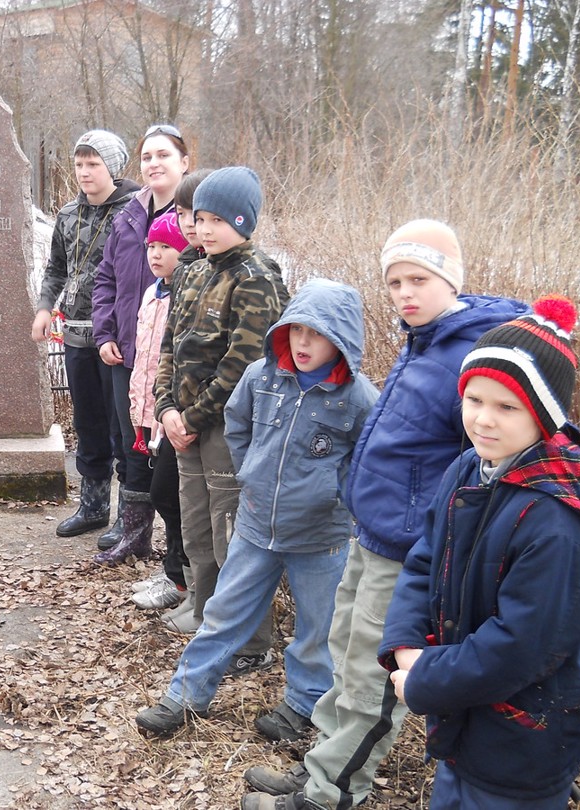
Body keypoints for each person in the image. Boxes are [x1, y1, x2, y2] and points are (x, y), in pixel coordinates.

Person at [241, 220, 528, 810]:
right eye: (395, 282)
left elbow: (486, 458)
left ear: (451, 279)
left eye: (418, 279)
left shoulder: (469, 353)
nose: (404, 293)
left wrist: (437, 537)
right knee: (345, 654)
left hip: (410, 548)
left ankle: (331, 793)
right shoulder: (424, 341)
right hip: (371, 532)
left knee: (372, 677)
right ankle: (322, 764)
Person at [380, 296, 580, 808]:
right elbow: (425, 558)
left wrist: (425, 679)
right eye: (474, 399)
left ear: (545, 415)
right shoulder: (469, 469)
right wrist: (406, 643)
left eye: (507, 407)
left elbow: (523, 647)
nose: (483, 419)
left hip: (521, 742)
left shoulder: (560, 522)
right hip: (461, 721)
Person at [136, 279, 378, 737]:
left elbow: (369, 460)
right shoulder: (261, 376)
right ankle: (183, 697)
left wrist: (335, 494)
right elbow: (237, 424)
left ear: (342, 339)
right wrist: (251, 472)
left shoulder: (360, 397)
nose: (303, 343)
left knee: (318, 629)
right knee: (223, 614)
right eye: (296, 330)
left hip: (320, 537)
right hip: (255, 524)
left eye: (317, 334)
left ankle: (302, 707)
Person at [151, 165, 287, 680]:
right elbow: (170, 345)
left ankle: (250, 641)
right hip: (184, 425)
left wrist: (192, 415)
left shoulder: (255, 278)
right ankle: (208, 619)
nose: (203, 229)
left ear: (243, 222)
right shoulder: (192, 270)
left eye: (217, 221)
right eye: (200, 218)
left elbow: (244, 363)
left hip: (228, 429)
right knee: (197, 527)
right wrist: (166, 409)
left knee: (233, 533)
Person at [31, 130, 139, 541]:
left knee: (123, 429)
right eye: (79, 164)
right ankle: (93, 507)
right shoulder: (67, 215)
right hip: (76, 335)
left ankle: (130, 517)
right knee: (88, 424)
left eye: (93, 164)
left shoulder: (135, 211)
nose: (84, 172)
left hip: (119, 338)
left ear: (112, 166)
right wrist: (45, 307)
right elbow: (56, 268)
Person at [91, 123, 190, 564]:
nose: (153, 164)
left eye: (163, 155)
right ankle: (133, 531)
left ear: (183, 162)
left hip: (172, 360)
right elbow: (106, 278)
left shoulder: (196, 216)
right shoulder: (129, 214)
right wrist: (105, 333)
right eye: (147, 156)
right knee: (129, 440)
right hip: (127, 350)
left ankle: (179, 552)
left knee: (164, 448)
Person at [126, 210, 189, 608]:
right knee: (163, 494)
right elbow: (145, 358)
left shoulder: (186, 295)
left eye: (166, 246)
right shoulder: (152, 293)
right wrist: (140, 410)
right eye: (151, 246)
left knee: (169, 495)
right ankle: (173, 570)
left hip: (174, 412)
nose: (156, 254)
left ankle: (181, 578)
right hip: (152, 409)